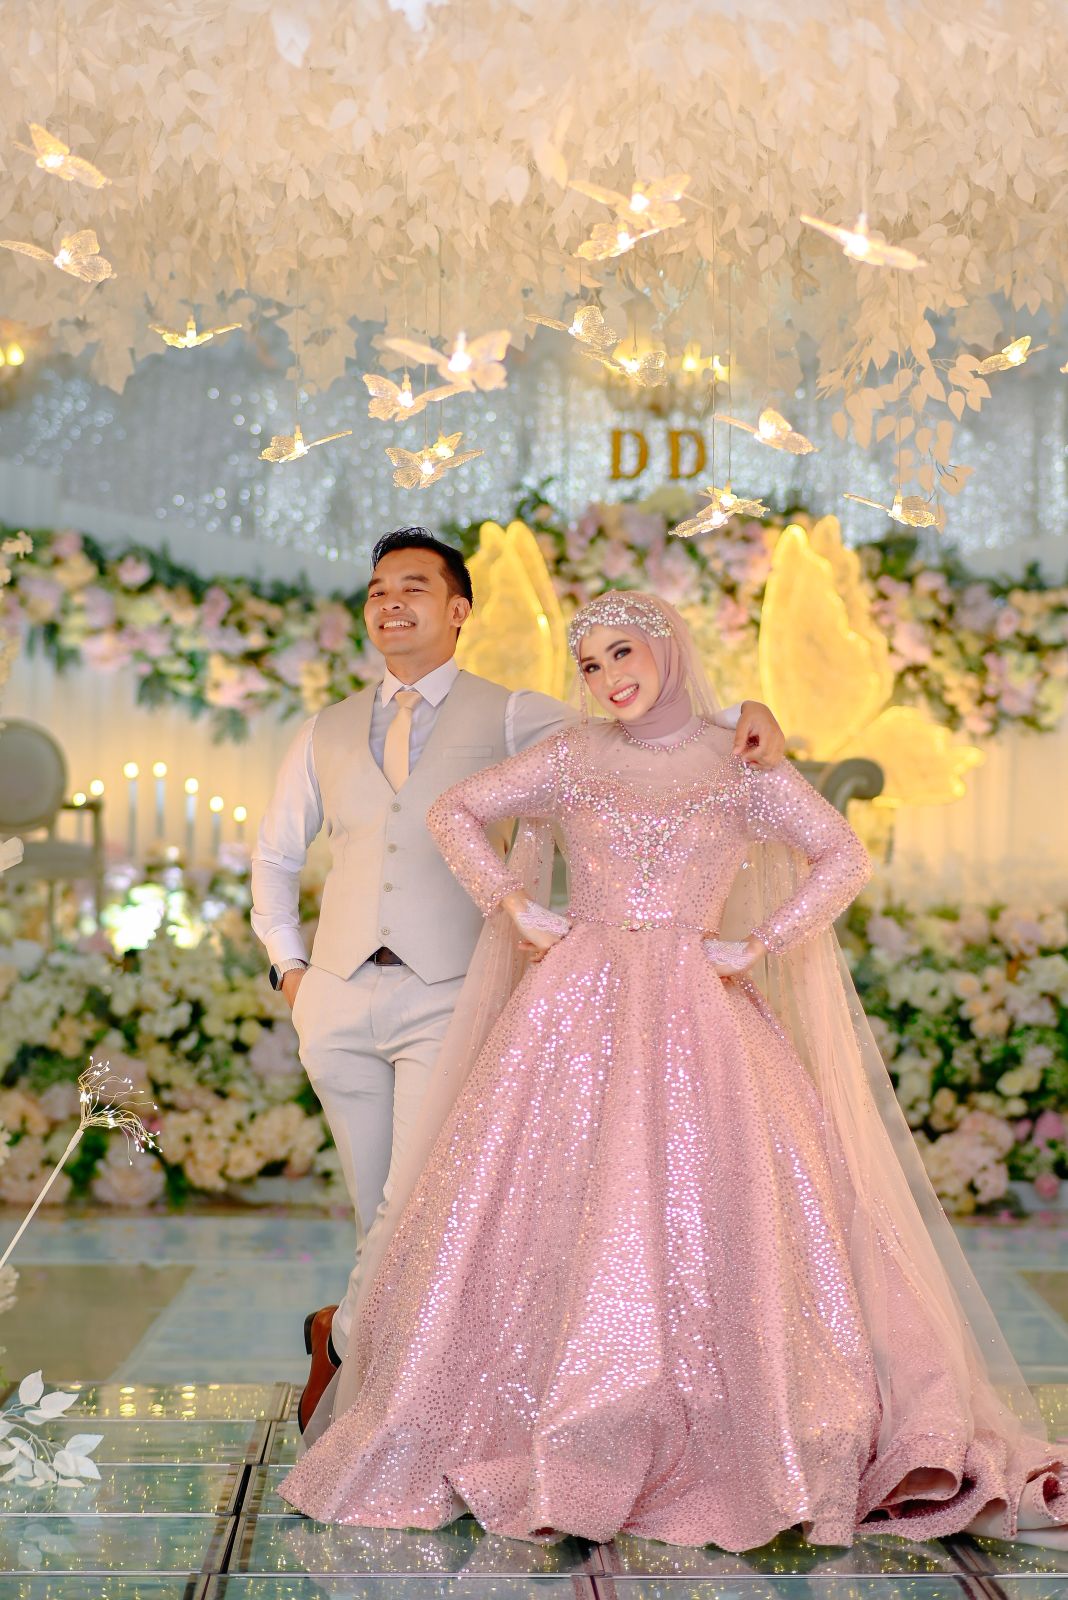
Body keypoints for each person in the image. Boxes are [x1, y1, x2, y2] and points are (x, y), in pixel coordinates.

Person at [279, 589, 1068, 1551]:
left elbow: (841, 855)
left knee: (714, 1200)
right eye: (592, 664)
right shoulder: (572, 754)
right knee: (548, 1199)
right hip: (578, 1006)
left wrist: (760, 942)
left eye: (624, 652)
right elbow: (456, 811)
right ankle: (547, 1406)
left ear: (667, 648)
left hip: (703, 1010)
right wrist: (513, 905)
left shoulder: (740, 759)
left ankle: (724, 1418)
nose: (609, 677)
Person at [250, 533, 786, 1430]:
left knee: (413, 1203)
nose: (390, 603)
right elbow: (273, 854)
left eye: (413, 588)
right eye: (377, 590)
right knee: (374, 1203)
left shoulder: (512, 715)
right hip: (334, 995)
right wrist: (290, 969)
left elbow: (643, 722)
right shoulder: (322, 728)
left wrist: (745, 711)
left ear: (457, 610)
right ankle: (369, 1360)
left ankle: (351, 1357)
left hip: (449, 994)